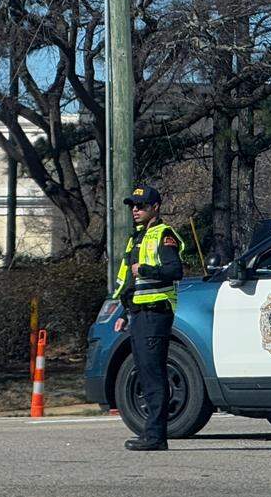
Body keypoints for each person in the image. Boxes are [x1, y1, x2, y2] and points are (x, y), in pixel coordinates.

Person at [111, 185, 185, 451]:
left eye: (141, 206)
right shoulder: (136, 239)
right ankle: (150, 433)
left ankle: (156, 436)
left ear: (155, 207)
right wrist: (122, 312)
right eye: (133, 206)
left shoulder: (164, 235)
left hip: (156, 313)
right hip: (138, 314)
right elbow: (129, 282)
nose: (135, 210)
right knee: (144, 372)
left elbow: (175, 271)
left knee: (153, 375)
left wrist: (144, 268)